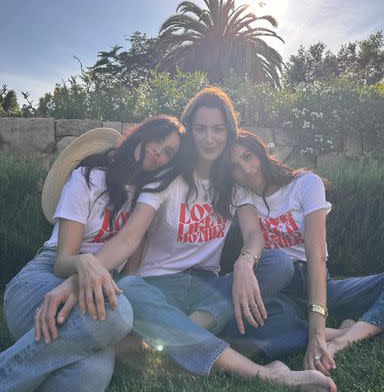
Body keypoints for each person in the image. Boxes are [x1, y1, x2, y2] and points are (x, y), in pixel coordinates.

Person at [28, 87, 336, 391]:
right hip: (158, 287)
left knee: (278, 264)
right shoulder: (166, 178)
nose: (209, 138)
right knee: (131, 289)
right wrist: (78, 278)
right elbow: (128, 239)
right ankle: (261, 372)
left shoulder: (232, 183)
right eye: (200, 128)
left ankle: (178, 338)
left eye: (217, 129)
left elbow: (254, 234)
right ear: (189, 131)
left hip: (208, 289)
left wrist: (245, 262)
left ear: (229, 132)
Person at [0, 115, 184, 392]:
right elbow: (63, 262)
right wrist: (85, 263)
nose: (159, 151)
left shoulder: (145, 202)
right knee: (117, 314)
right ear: (143, 134)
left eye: (169, 152)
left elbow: (129, 275)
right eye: (158, 138)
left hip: (93, 302)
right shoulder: (88, 178)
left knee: (89, 376)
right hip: (43, 282)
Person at [224, 128, 384, 377]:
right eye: (234, 165)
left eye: (247, 157)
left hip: (314, 279)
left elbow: (317, 253)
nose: (244, 169)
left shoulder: (306, 184)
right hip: (279, 287)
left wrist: (318, 331)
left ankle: (343, 339)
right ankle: (341, 331)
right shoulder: (241, 193)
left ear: (261, 153)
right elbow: (252, 238)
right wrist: (243, 263)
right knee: (247, 321)